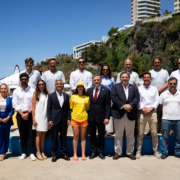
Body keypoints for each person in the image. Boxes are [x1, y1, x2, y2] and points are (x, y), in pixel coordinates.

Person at [111, 71, 140, 160]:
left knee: (130, 135)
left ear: (129, 78)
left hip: (130, 113)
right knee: (118, 134)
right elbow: (114, 97)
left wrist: (129, 105)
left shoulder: (134, 87)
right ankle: (118, 152)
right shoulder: (115, 87)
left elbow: (137, 98)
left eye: (126, 77)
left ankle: (130, 152)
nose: (124, 79)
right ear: (120, 78)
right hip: (119, 113)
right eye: (123, 77)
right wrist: (124, 106)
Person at [136, 72, 161, 159]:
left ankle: (156, 151)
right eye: (145, 77)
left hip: (152, 112)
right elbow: (137, 100)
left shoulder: (154, 89)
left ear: (150, 79)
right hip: (142, 112)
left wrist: (150, 109)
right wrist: (143, 109)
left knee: (154, 133)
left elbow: (157, 101)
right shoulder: (139, 89)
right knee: (140, 133)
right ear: (143, 78)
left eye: (148, 77)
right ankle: (138, 151)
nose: (146, 79)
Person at [12, 73, 36, 161]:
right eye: (22, 79)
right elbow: (15, 104)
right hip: (20, 115)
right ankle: (24, 153)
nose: (24, 81)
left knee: (30, 134)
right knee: (22, 135)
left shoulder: (32, 90)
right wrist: (22, 114)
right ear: (20, 80)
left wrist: (28, 114)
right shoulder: (16, 91)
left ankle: (32, 153)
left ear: (28, 80)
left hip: (30, 114)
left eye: (25, 79)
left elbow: (34, 103)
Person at [87, 75, 111, 160]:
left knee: (101, 135)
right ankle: (93, 152)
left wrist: (107, 117)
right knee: (92, 136)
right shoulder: (89, 90)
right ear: (93, 81)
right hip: (91, 116)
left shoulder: (106, 90)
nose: (96, 81)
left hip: (102, 117)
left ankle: (101, 152)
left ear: (100, 81)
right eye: (95, 80)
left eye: (98, 80)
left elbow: (108, 105)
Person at [47, 79, 71, 162]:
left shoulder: (66, 96)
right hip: (54, 120)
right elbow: (48, 109)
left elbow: (68, 109)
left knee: (64, 138)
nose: (59, 85)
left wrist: (69, 118)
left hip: (64, 120)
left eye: (60, 84)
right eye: (57, 84)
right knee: (54, 138)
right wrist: (49, 119)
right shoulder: (51, 96)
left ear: (63, 85)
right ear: (55, 85)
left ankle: (64, 154)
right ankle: (54, 155)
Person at [159, 77, 180, 159]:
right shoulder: (163, 94)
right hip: (166, 119)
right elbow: (160, 105)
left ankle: (178, 152)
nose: (172, 85)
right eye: (170, 84)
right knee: (165, 137)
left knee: (179, 137)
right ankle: (164, 152)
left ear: (176, 84)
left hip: (178, 119)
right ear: (168, 84)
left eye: (174, 83)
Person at [70, 82, 90, 161]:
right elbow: (71, 108)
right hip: (75, 119)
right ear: (77, 88)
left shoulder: (87, 98)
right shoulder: (73, 97)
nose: (80, 88)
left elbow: (87, 108)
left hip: (84, 119)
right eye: (79, 87)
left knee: (83, 137)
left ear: (84, 88)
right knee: (75, 136)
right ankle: (75, 154)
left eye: (82, 86)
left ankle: (83, 154)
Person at [149, 58, 169, 133]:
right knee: (152, 111)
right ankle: (152, 130)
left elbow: (168, 82)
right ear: (153, 63)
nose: (157, 64)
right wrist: (155, 89)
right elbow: (148, 81)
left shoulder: (165, 72)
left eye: (158, 62)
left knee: (162, 112)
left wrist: (161, 89)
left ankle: (162, 129)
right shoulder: (150, 72)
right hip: (153, 94)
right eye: (155, 62)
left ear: (161, 63)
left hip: (163, 94)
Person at [32, 80, 49, 160]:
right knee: (38, 135)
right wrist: (33, 119)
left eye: (43, 84)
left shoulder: (47, 95)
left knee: (43, 135)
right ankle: (38, 152)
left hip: (45, 117)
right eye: (39, 84)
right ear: (37, 85)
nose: (41, 86)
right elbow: (33, 108)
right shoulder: (35, 95)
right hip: (38, 117)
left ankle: (42, 151)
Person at [100, 64, 115, 136]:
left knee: (109, 113)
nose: (105, 71)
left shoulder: (111, 79)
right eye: (104, 69)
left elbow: (113, 88)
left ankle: (108, 130)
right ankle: (102, 129)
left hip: (109, 97)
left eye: (107, 69)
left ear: (109, 70)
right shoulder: (99, 78)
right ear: (101, 70)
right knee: (102, 113)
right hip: (101, 98)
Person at [0, 84, 14, 161]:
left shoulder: (10, 99)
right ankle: (2, 153)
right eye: (2, 88)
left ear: (7, 89)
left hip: (7, 119)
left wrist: (8, 118)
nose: (3, 90)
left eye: (5, 88)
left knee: (6, 136)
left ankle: (4, 152)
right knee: (0, 137)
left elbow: (12, 109)